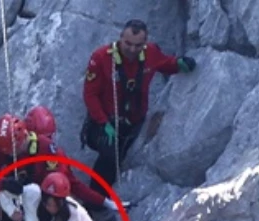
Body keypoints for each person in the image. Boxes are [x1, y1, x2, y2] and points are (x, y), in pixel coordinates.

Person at [80, 19, 196, 195]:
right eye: (128, 44)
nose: (132, 50)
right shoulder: (102, 58)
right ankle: (94, 200)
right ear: (120, 38)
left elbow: (165, 64)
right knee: (110, 155)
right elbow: (90, 95)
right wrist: (103, 122)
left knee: (121, 158)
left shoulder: (150, 53)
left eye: (138, 45)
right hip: (105, 122)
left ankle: (109, 194)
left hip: (133, 123)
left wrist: (179, 64)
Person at [23, 105, 126, 221]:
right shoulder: (18, 154)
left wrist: (105, 202)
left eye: (49, 138)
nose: (47, 143)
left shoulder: (56, 157)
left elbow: (74, 185)